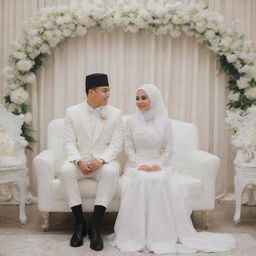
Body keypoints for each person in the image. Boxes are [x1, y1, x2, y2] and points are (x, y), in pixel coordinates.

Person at [110, 83, 236, 254]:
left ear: (153, 99)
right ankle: (136, 234)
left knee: (159, 179)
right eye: (137, 98)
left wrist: (158, 164)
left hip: (159, 164)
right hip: (135, 165)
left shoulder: (165, 123)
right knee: (140, 179)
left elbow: (168, 149)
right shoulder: (131, 121)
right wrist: (139, 164)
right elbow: (128, 147)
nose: (140, 102)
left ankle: (161, 235)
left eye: (144, 98)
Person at [59, 73, 123, 251]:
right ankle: (79, 224)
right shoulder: (72, 112)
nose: (108, 94)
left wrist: (101, 160)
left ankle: (95, 227)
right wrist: (78, 161)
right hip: (80, 161)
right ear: (91, 92)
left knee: (111, 172)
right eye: (105, 90)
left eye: (109, 90)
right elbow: (68, 142)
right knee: (65, 170)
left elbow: (117, 144)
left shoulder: (116, 114)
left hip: (103, 162)